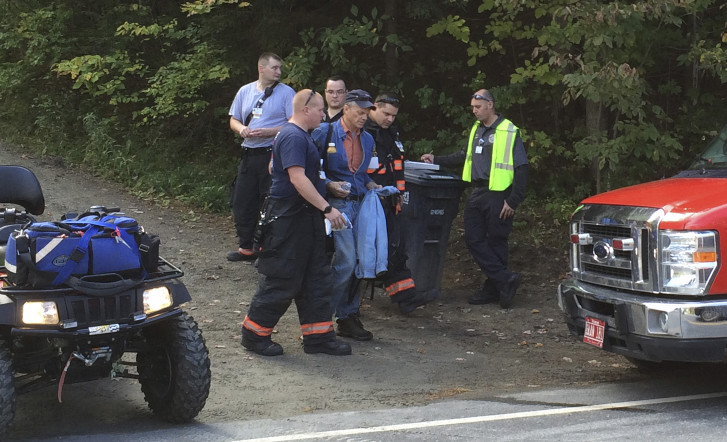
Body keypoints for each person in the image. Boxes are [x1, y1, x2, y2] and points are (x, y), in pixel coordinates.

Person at [240, 89, 351, 357]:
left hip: (304, 218)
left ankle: (318, 337)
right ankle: (254, 335)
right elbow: (297, 179)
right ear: (305, 110)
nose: (324, 115)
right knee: (283, 277)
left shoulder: (301, 136)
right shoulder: (292, 136)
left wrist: (328, 185)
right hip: (289, 220)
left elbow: (282, 171)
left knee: (315, 277)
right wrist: (326, 208)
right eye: (320, 109)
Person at [421, 89, 528, 308]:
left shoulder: (508, 130)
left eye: (477, 107)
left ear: (490, 104)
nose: (474, 111)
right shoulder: (476, 130)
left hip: (499, 193)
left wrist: (513, 200)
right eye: (472, 107)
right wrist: (437, 160)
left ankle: (494, 288)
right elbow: (464, 155)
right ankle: (504, 279)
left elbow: (522, 167)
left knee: (497, 241)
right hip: (477, 191)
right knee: (473, 238)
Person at [312, 89, 380, 341]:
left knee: (362, 261)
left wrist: (373, 186)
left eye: (367, 113)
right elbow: (310, 170)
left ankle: (348, 315)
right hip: (335, 206)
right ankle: (322, 317)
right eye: (360, 112)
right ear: (347, 109)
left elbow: (362, 174)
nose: (364, 117)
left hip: (360, 204)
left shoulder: (368, 140)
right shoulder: (324, 132)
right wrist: (329, 185)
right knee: (347, 261)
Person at [364, 93, 438, 314]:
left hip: (390, 199)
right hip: (370, 200)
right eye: (386, 113)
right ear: (374, 107)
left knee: (396, 247)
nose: (390, 119)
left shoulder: (391, 133)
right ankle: (403, 297)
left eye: (393, 115)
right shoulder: (364, 132)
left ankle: (405, 297)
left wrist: (398, 196)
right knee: (380, 249)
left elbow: (397, 166)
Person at [227, 52, 296, 262]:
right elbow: (233, 119)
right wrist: (241, 130)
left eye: (280, 68)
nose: (279, 72)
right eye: (275, 68)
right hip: (249, 154)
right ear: (261, 68)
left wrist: (270, 132)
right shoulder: (245, 91)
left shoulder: (286, 93)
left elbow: (293, 122)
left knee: (268, 202)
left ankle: (265, 249)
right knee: (242, 201)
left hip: (271, 153)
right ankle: (246, 247)